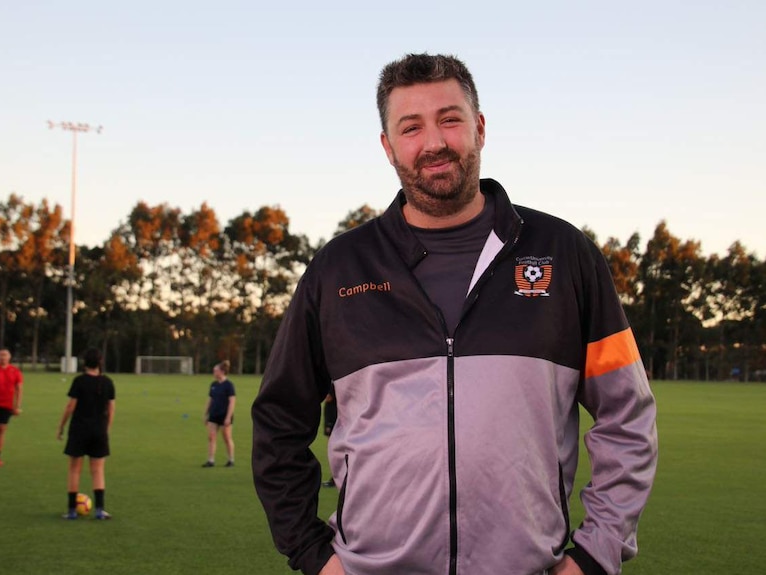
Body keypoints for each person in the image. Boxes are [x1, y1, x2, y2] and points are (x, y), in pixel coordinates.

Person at [251, 53, 658, 575]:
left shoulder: (564, 253)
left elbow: (627, 414)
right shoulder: (338, 268)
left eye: (449, 119)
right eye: (411, 127)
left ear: (480, 128)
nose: (434, 143)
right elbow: (278, 420)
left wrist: (596, 554)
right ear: (387, 146)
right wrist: (313, 553)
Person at [57, 348, 116, 520]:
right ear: (100, 362)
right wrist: (107, 429)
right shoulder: (107, 382)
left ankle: (72, 511)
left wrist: (61, 426)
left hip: (79, 430)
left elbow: (70, 407)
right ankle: (99, 510)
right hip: (99, 431)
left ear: (84, 363)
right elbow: (111, 409)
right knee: (97, 470)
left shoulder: (79, 381)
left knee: (74, 470)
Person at [201, 360, 236, 467]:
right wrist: (205, 414)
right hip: (213, 415)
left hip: (224, 416)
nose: (214, 373)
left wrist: (228, 417)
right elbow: (210, 400)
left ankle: (231, 459)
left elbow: (232, 402)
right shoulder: (213, 385)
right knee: (211, 437)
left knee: (227, 438)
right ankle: (211, 460)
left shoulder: (229, 385)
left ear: (221, 371)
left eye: (215, 371)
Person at [320, 383, 337, 488]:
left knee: (332, 449)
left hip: (332, 418)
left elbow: (328, 398)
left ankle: (335, 477)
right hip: (332, 417)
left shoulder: (332, 384)